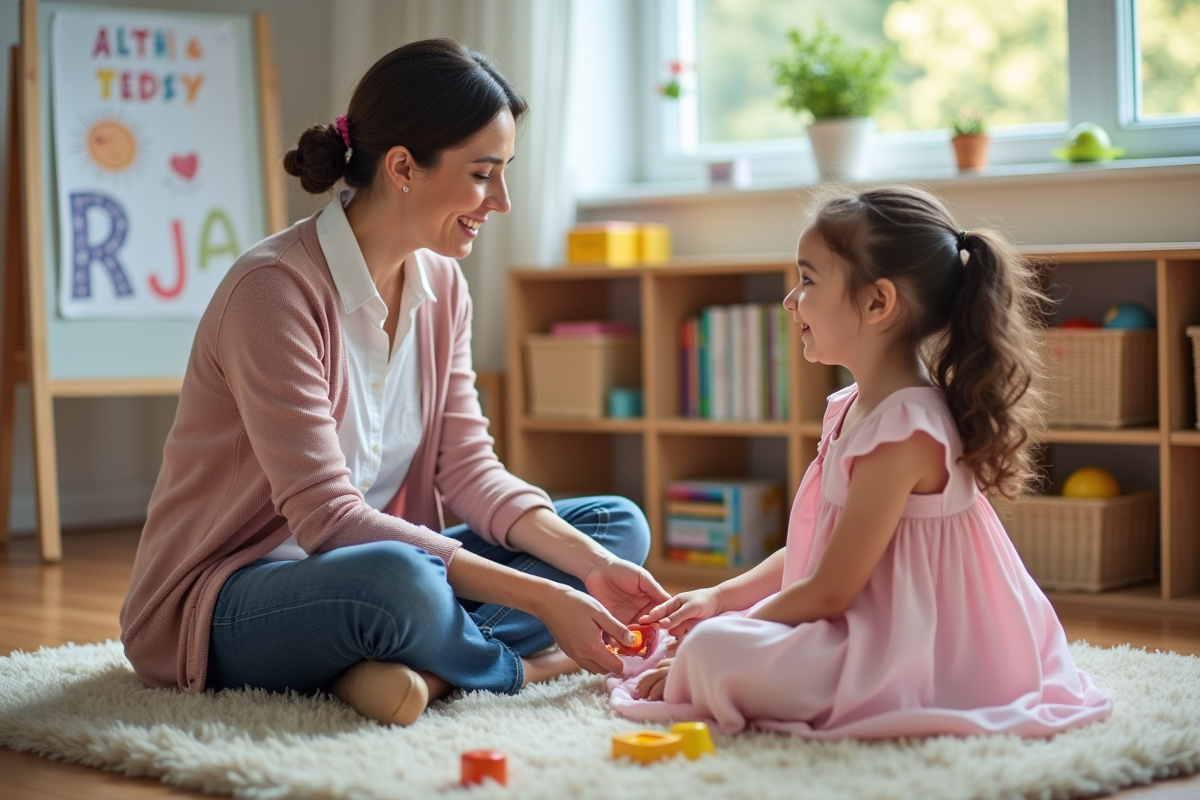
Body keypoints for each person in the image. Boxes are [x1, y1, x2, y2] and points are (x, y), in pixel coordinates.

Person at [120, 38, 666, 727]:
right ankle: (519, 667)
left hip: (384, 570)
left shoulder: (442, 284)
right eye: (481, 174)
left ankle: (405, 667)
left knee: (613, 527)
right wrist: (540, 602)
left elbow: (471, 471)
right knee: (399, 583)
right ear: (404, 167)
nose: (499, 200)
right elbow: (329, 521)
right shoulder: (274, 291)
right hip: (228, 598)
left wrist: (587, 569)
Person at [607, 186, 1113, 738]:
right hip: (869, 625)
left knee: (711, 649)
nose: (789, 300)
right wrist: (720, 597)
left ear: (877, 303)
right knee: (716, 631)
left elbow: (830, 590)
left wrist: (722, 635)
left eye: (808, 280)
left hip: (917, 655)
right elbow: (823, 551)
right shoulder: (854, 407)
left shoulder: (905, 431)